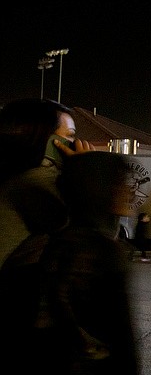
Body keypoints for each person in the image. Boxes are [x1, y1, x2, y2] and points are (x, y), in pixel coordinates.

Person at [0, 151, 144, 375]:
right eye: (121, 183)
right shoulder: (104, 251)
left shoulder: (43, 245)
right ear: (99, 188)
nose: (130, 192)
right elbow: (120, 325)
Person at [0, 98, 95, 266]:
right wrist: (88, 171)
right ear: (51, 141)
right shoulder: (35, 180)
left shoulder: (16, 174)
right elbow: (91, 235)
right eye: (71, 136)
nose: (77, 143)